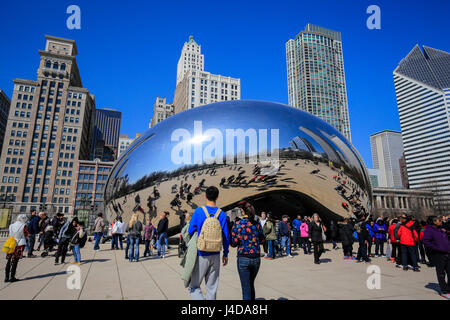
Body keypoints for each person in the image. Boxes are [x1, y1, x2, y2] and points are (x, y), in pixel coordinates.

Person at [187, 186, 229, 300]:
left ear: (205, 196)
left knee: (194, 287)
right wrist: (225, 254)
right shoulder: (222, 214)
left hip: (201, 253)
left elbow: (190, 230)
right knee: (212, 288)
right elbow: (225, 236)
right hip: (215, 254)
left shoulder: (199, 211)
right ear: (217, 197)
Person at [231, 202, 265, 300]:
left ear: (242, 211)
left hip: (243, 258)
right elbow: (263, 239)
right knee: (251, 285)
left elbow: (233, 243)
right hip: (256, 258)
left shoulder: (238, 224)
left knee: (246, 289)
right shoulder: (256, 224)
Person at [423, 216, 450, 299]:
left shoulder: (441, 229)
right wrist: (437, 248)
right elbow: (426, 241)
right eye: (439, 220)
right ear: (434, 222)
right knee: (441, 273)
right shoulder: (429, 230)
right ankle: (444, 291)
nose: (441, 221)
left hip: (447, 253)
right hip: (438, 255)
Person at [5, 214, 28, 283]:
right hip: (19, 244)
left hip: (11, 243)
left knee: (9, 260)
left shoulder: (11, 225)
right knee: (15, 260)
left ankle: (6, 277)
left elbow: (10, 234)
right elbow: (26, 234)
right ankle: (12, 277)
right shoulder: (24, 226)